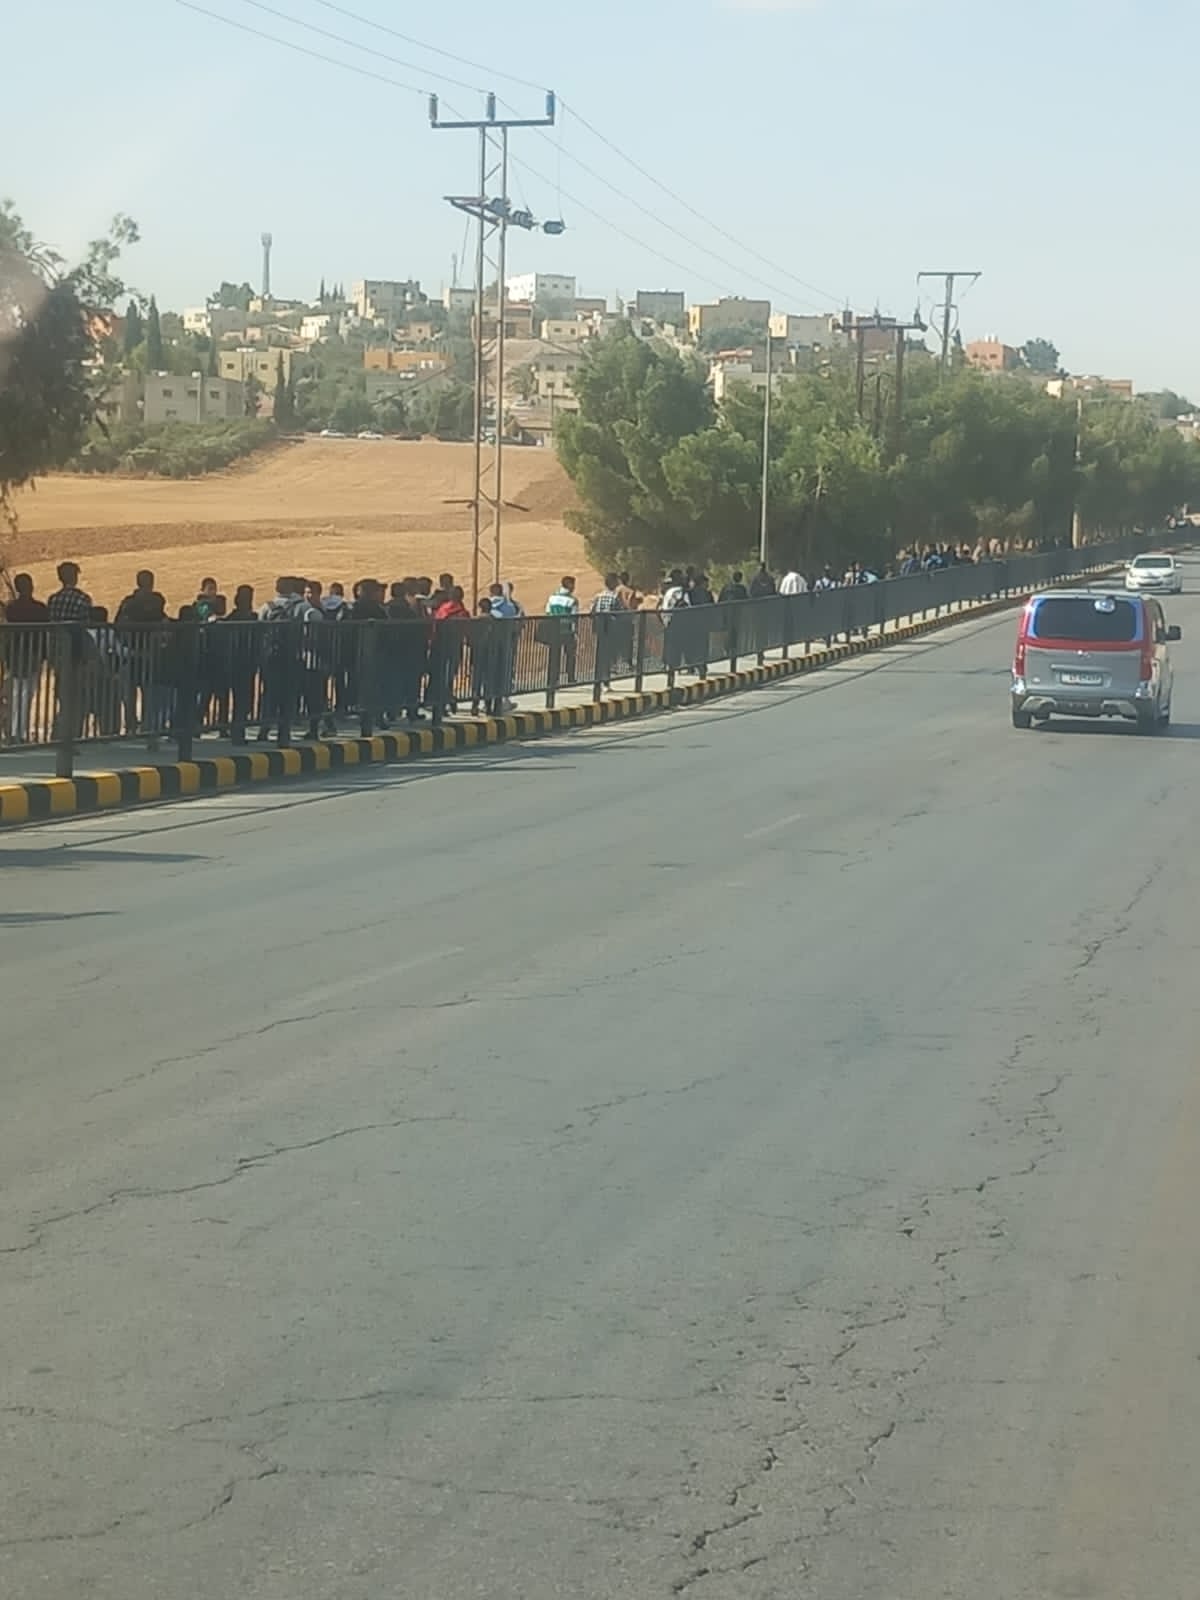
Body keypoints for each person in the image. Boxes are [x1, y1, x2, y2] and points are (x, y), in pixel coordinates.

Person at [257, 577, 320, 742]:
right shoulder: (301, 606)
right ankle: (283, 733)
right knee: (288, 695)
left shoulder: (267, 606)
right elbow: (316, 618)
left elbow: (259, 626)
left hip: (271, 658)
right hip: (292, 656)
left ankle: (264, 730)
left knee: (270, 694)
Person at [1, 574, 49, 743]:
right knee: (27, 694)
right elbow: (44, 632)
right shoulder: (40, 608)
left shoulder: (11, 608)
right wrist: (44, 654)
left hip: (14, 654)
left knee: (17, 693)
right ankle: (19, 732)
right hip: (33, 653)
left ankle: (14, 731)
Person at [216, 584, 258, 743]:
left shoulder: (233, 618)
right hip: (243, 663)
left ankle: (227, 728)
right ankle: (236, 732)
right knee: (242, 700)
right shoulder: (250, 618)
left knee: (232, 698)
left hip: (232, 662)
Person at [590, 572, 626, 690]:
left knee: (600, 654)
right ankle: (606, 682)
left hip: (600, 628)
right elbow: (620, 612)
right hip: (611, 629)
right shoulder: (615, 597)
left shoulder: (598, 596)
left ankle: (597, 681)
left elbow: (592, 611)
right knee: (609, 656)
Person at [543, 575, 579, 685]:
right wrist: (575, 632)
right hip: (567, 630)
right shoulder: (572, 600)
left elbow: (548, 612)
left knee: (554, 656)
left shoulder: (552, 597)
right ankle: (571, 678)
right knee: (570, 655)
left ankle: (553, 680)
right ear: (570, 585)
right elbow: (574, 617)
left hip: (554, 629)